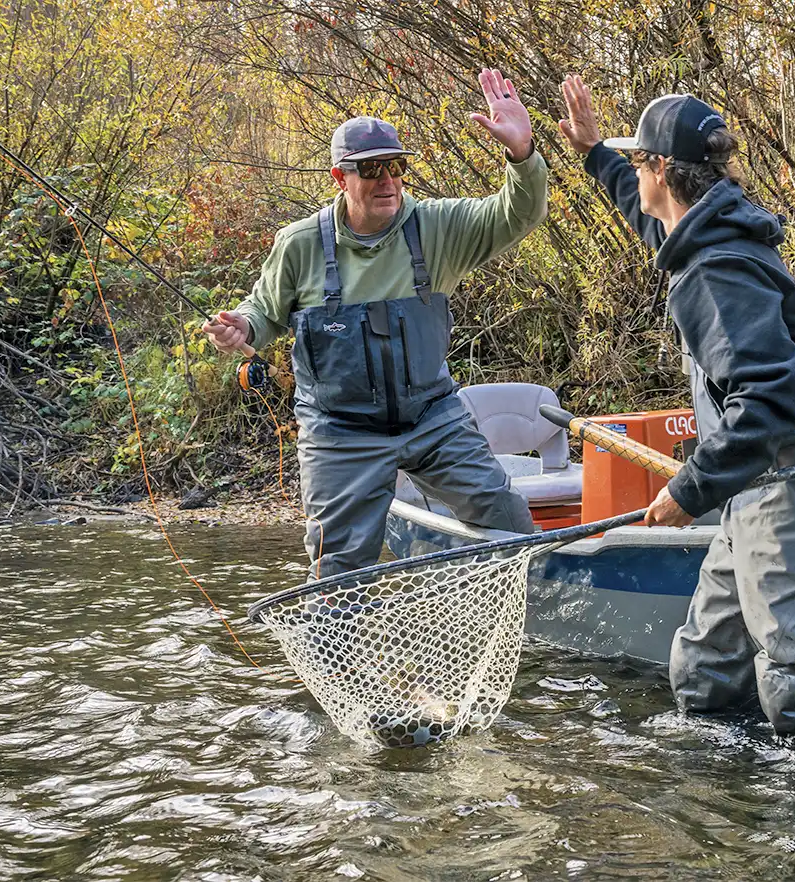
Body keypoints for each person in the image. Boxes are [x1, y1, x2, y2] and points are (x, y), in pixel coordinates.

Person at [558, 76, 795, 755]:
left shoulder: (714, 269)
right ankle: (731, 827)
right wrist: (593, 154)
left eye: (639, 162)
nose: (637, 175)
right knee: (705, 678)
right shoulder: (711, 229)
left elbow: (765, 398)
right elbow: (650, 217)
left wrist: (687, 490)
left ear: (663, 170)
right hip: (757, 495)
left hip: (794, 495)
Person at [204, 69, 544, 577]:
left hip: (433, 417)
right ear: (341, 178)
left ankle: (528, 618)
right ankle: (339, 647)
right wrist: (240, 329)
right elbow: (263, 314)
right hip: (339, 431)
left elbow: (517, 214)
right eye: (371, 170)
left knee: (508, 519)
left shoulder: (437, 226)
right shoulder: (299, 243)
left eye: (396, 167)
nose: (388, 180)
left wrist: (522, 155)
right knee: (338, 566)